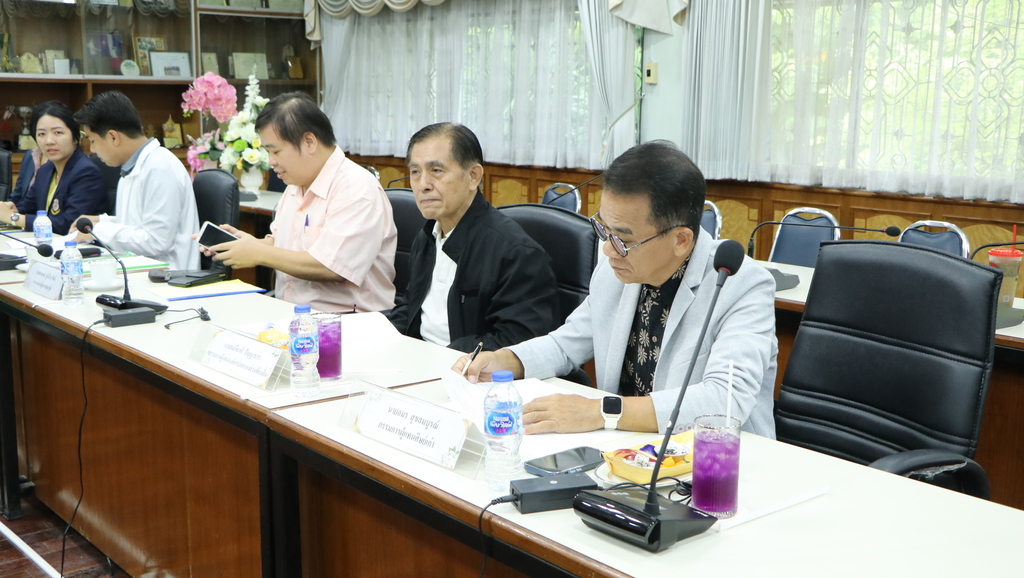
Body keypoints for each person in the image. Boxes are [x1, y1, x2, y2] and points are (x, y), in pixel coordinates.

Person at [458, 141, 778, 437]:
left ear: (681, 240)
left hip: (720, 459)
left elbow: (724, 400)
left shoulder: (740, 284)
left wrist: (601, 411)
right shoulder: (617, 268)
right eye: (604, 230)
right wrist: (505, 360)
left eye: (623, 239)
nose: (609, 249)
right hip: (627, 449)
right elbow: (567, 344)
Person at [203, 92, 397, 313]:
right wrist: (247, 245)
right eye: (267, 152)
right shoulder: (296, 184)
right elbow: (284, 247)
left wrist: (258, 253)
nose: (271, 161)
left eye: (276, 151)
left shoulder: (356, 188)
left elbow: (331, 267)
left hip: (348, 322)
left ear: (309, 142)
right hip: (293, 317)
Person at [388, 123, 560, 353]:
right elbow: (410, 307)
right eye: (415, 172)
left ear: (473, 176)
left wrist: (442, 357)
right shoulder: (428, 235)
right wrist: (379, 336)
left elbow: (518, 343)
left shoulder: (516, 252)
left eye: (436, 170)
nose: (423, 185)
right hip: (420, 359)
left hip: (466, 367)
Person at [72, 91, 199, 270]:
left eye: (92, 140)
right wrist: (101, 221)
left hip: (169, 276)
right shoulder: (134, 165)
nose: (92, 149)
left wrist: (97, 231)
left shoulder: (160, 168)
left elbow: (157, 242)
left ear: (113, 137)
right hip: (142, 269)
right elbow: (137, 223)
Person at [0, 102, 107, 235]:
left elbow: (68, 224)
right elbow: (27, 207)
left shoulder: (86, 172)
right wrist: (11, 208)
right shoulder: (45, 170)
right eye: (41, 134)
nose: (49, 141)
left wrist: (13, 218)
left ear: (75, 137)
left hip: (80, 245)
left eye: (58, 132)